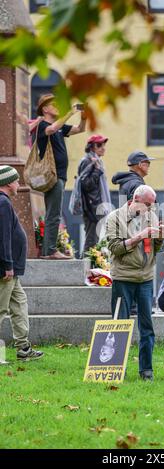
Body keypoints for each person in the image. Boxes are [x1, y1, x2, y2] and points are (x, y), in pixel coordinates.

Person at [106, 185, 164, 381]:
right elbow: (114, 248)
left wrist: (160, 237)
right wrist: (139, 236)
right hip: (123, 278)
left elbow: (155, 248)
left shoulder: (151, 216)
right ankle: (114, 368)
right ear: (135, 199)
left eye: (152, 204)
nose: (150, 208)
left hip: (145, 278)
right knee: (119, 324)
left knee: (147, 326)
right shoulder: (115, 217)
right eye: (147, 204)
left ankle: (146, 370)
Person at [0, 166, 43, 361]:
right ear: (8, 183)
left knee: (19, 304)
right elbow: (3, 237)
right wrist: (7, 265)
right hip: (6, 269)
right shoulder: (2, 203)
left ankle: (23, 348)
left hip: (12, 269)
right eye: (16, 180)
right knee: (1, 308)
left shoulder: (4, 202)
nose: (19, 184)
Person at [36, 94, 86, 259]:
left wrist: (84, 118)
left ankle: (49, 249)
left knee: (54, 212)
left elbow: (80, 129)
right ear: (45, 108)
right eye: (54, 104)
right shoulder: (43, 125)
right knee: (54, 213)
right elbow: (51, 129)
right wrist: (69, 113)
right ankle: (49, 251)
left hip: (60, 175)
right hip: (52, 175)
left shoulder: (59, 127)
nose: (58, 106)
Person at [78, 134, 111, 254]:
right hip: (91, 207)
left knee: (95, 240)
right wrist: (97, 171)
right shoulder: (87, 161)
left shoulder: (97, 161)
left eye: (103, 145)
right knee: (91, 240)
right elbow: (86, 185)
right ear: (91, 147)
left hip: (97, 206)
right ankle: (83, 269)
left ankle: (90, 268)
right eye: (99, 145)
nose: (102, 147)